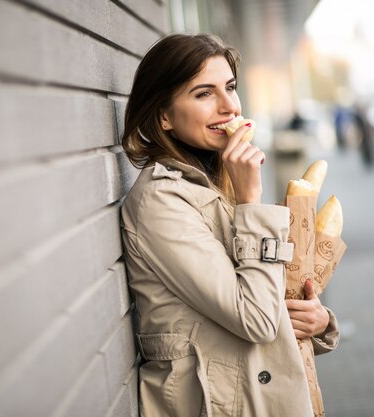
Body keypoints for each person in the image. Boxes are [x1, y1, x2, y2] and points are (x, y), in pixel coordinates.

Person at [120, 33, 339, 417]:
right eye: (204, 94)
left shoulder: (218, 179)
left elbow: (269, 294)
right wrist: (252, 202)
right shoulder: (161, 201)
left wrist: (318, 320)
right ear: (164, 116)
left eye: (231, 88)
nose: (228, 107)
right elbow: (255, 320)